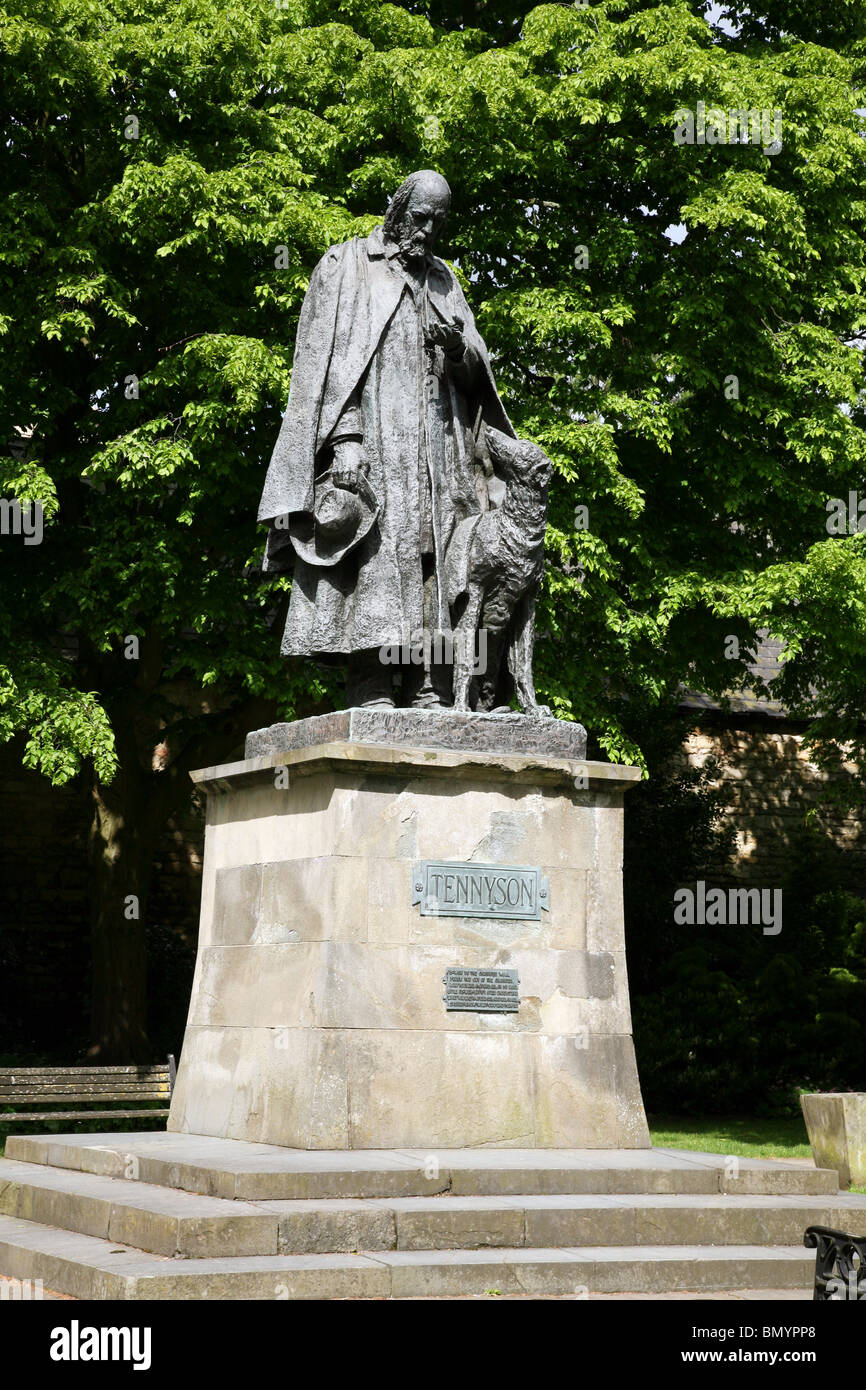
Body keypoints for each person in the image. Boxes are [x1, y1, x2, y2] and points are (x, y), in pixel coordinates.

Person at [257, 169, 513, 708]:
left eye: (438, 225)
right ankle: (369, 680)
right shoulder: (346, 265)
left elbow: (478, 375)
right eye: (419, 218)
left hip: (441, 453)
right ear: (397, 208)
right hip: (376, 443)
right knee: (375, 553)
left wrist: (458, 352)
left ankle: (433, 684)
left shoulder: (444, 280)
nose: (426, 232)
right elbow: (322, 370)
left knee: (438, 555)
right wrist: (346, 439)